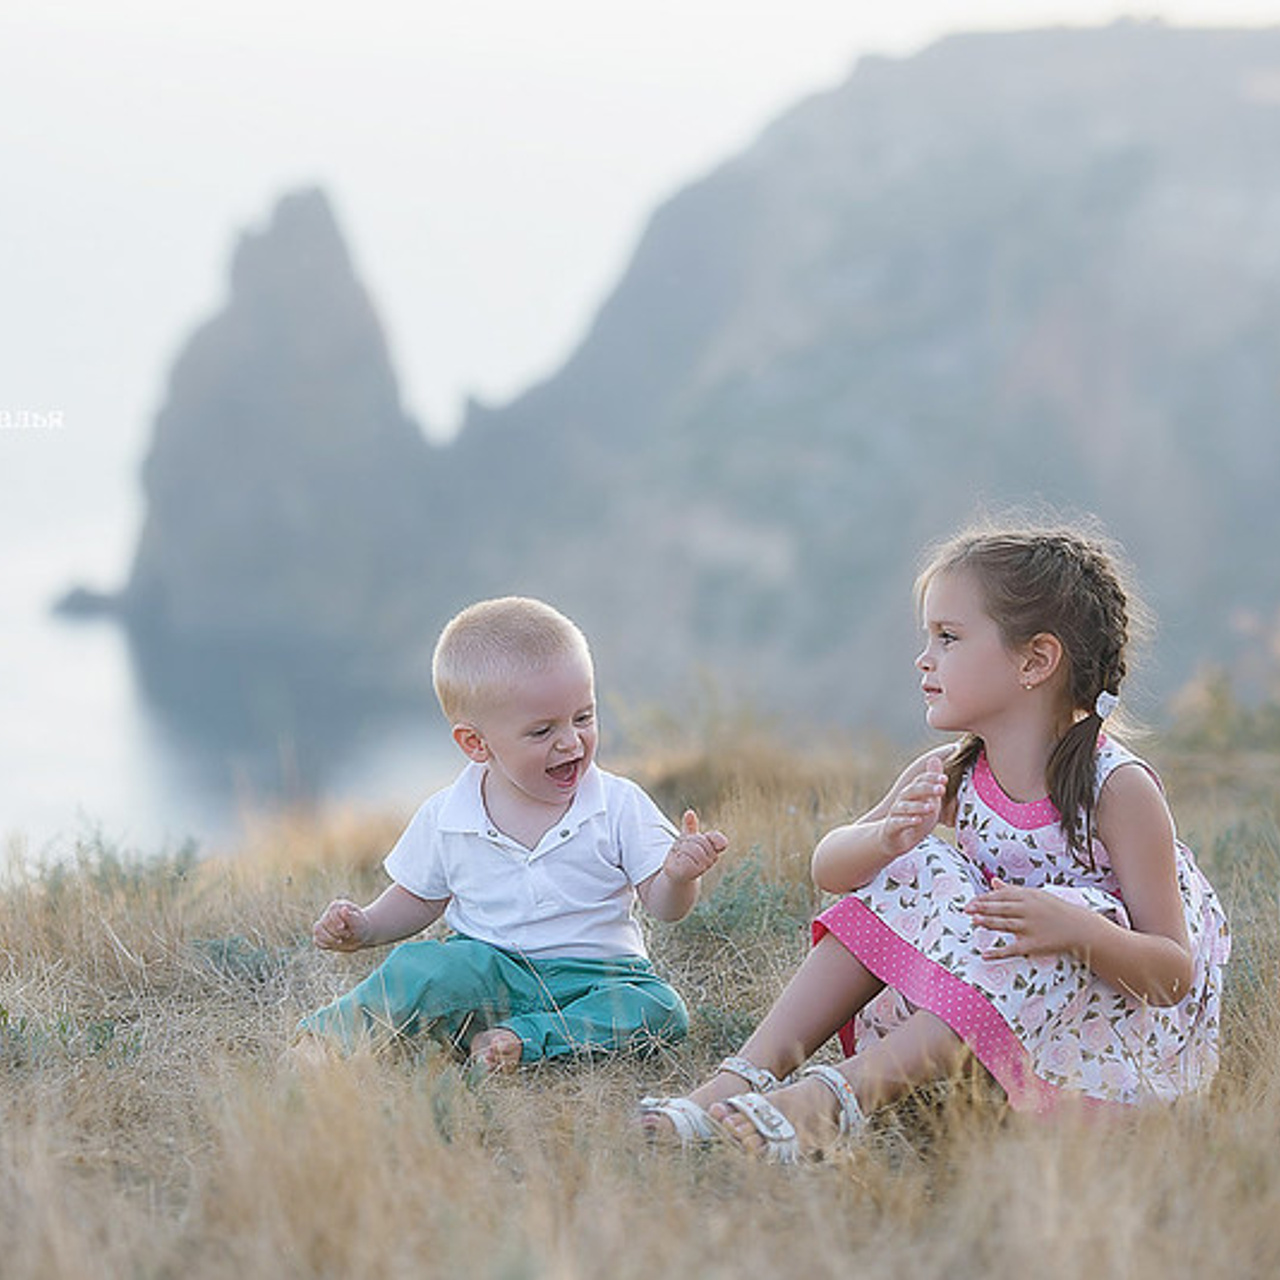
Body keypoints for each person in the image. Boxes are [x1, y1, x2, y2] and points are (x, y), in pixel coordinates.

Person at [640, 522, 1230, 1160]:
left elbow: (1172, 972)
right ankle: (739, 1078)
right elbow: (830, 870)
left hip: (1098, 1039)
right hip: (978, 1018)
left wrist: (1076, 929)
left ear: (1035, 660)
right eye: (929, 638)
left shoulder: (1117, 791)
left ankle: (832, 1100)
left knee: (1069, 913)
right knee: (915, 861)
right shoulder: (951, 772)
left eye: (948, 638)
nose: (925, 658)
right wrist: (888, 838)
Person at [296, 596, 726, 1072]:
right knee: (422, 969)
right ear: (476, 744)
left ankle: (520, 1040)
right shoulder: (448, 815)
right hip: (487, 971)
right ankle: (327, 1042)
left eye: (583, 717)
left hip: (599, 979)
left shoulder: (618, 803)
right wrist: (368, 926)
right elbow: (420, 898)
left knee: (661, 1010)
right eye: (542, 731)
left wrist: (679, 877)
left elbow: (665, 908)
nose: (571, 741)